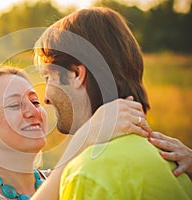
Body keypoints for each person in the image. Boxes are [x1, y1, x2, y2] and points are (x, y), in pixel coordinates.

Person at [32, 7, 192, 200]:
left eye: (48, 77)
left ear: (75, 74)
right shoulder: (176, 162)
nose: (45, 99)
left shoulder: (88, 173)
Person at [0, 66, 151, 199]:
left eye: (34, 101)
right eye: (14, 105)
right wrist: (86, 138)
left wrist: (181, 161)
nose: (34, 111)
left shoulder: (68, 179)